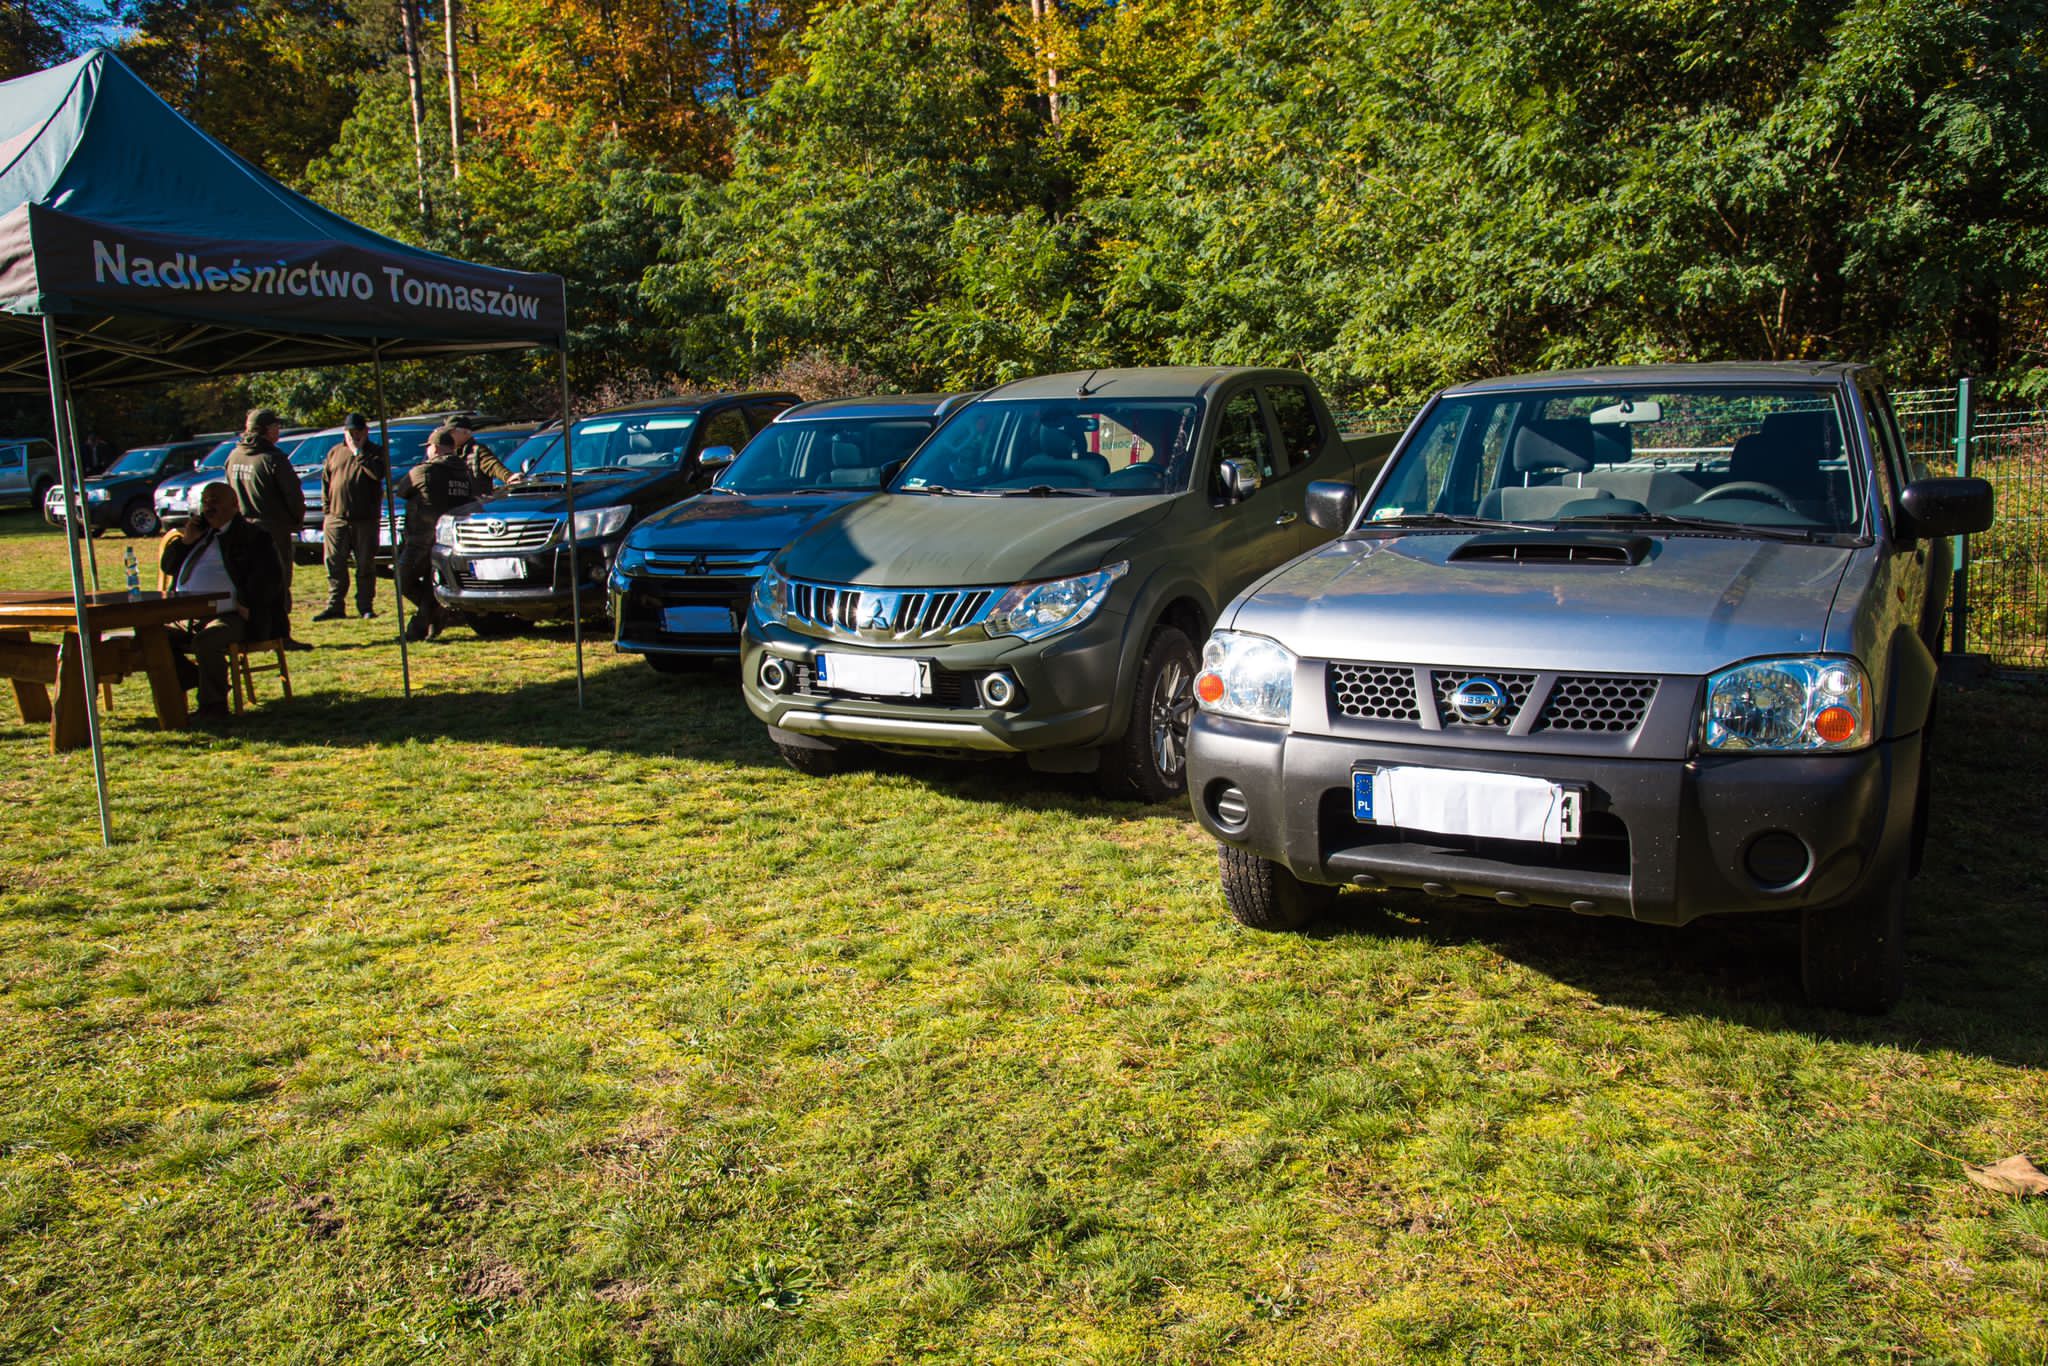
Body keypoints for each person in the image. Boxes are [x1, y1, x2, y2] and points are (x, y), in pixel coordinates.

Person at [160, 481, 288, 720]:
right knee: (153, 638)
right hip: (187, 615)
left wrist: (248, 603)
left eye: (215, 501)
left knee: (206, 641)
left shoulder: (252, 536)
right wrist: (186, 542)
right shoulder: (198, 535)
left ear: (234, 504)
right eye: (205, 501)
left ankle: (214, 706)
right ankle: (194, 678)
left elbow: (269, 578)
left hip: (233, 615)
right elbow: (167, 566)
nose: (209, 507)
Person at [223, 407, 311, 651]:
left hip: (242, 530)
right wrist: (295, 520)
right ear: (265, 429)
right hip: (272, 530)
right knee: (279, 582)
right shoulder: (273, 458)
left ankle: (256, 631)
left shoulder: (234, 457)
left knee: (251, 584)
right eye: (275, 426)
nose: (278, 431)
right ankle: (280, 635)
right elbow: (292, 495)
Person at [393, 425, 478, 641]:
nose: (428, 450)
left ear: (437, 448)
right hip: (452, 539)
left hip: (422, 537)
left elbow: (402, 490)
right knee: (435, 583)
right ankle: (433, 616)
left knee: (403, 579)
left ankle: (426, 620)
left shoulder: (425, 471)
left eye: (429, 446)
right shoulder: (465, 472)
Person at [313, 412, 387, 621]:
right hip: (336, 519)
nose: (354, 435)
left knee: (365, 564)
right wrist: (328, 512)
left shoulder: (375, 453)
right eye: (350, 432)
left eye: (358, 431)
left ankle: (365, 606)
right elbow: (326, 482)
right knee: (335, 564)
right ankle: (335, 605)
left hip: (364, 519)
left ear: (365, 432)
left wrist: (358, 452)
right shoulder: (335, 452)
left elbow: (377, 474)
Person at [452, 425, 517, 488]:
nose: (450, 435)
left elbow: (492, 465)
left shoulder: (477, 450)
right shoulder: (450, 451)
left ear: (465, 433)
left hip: (478, 497)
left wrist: (508, 476)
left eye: (453, 432)